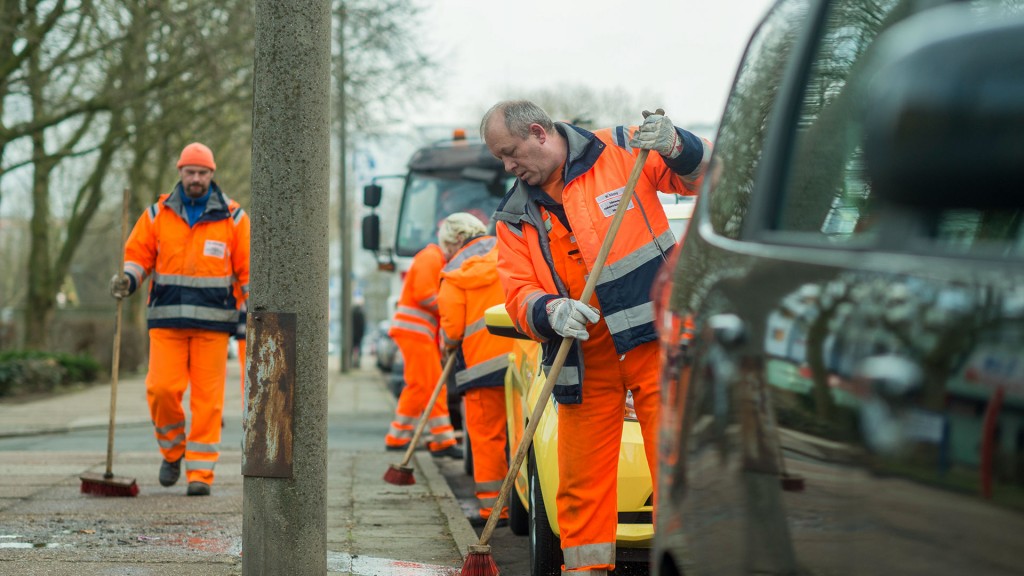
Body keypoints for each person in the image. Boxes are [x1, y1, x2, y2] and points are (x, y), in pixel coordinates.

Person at [481, 100, 710, 575]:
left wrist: (676, 144)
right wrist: (551, 310)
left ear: (539, 133)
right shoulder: (514, 217)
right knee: (581, 487)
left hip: (655, 343)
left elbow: (710, 179)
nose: (508, 167)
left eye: (510, 153)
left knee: (679, 471)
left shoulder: (624, 149)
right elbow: (519, 296)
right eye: (501, 159)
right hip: (584, 360)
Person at [109, 142, 250, 497]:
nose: (197, 178)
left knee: (208, 402)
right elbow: (138, 257)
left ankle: (200, 473)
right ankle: (172, 453)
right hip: (167, 322)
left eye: (203, 173)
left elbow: (249, 272)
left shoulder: (233, 219)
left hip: (214, 326)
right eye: (191, 172)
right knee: (161, 390)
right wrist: (127, 280)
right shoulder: (157, 215)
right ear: (180, 172)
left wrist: (251, 312)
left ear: (212, 175)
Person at [436, 212, 513, 527]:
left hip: (482, 368)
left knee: (487, 437)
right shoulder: (509, 250)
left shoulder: (454, 272)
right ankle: (526, 501)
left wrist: (449, 346)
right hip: (524, 358)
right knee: (524, 435)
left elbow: (452, 329)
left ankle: (494, 510)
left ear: (454, 242)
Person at [383, 241, 461, 458]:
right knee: (426, 384)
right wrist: (452, 306)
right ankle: (441, 441)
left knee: (423, 385)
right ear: (453, 242)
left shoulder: (433, 258)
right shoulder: (431, 257)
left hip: (416, 333)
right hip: (414, 332)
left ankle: (404, 438)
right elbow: (424, 294)